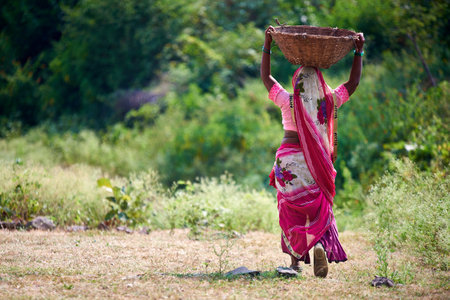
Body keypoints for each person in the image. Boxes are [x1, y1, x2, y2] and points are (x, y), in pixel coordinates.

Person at [261, 25, 365, 277]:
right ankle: (318, 243)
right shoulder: (328, 101)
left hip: (288, 161)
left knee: (289, 207)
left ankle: (295, 261)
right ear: (320, 84)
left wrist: (267, 46)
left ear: (297, 83)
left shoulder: (288, 100)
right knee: (319, 207)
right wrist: (358, 53)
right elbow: (352, 84)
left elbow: (267, 78)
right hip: (313, 163)